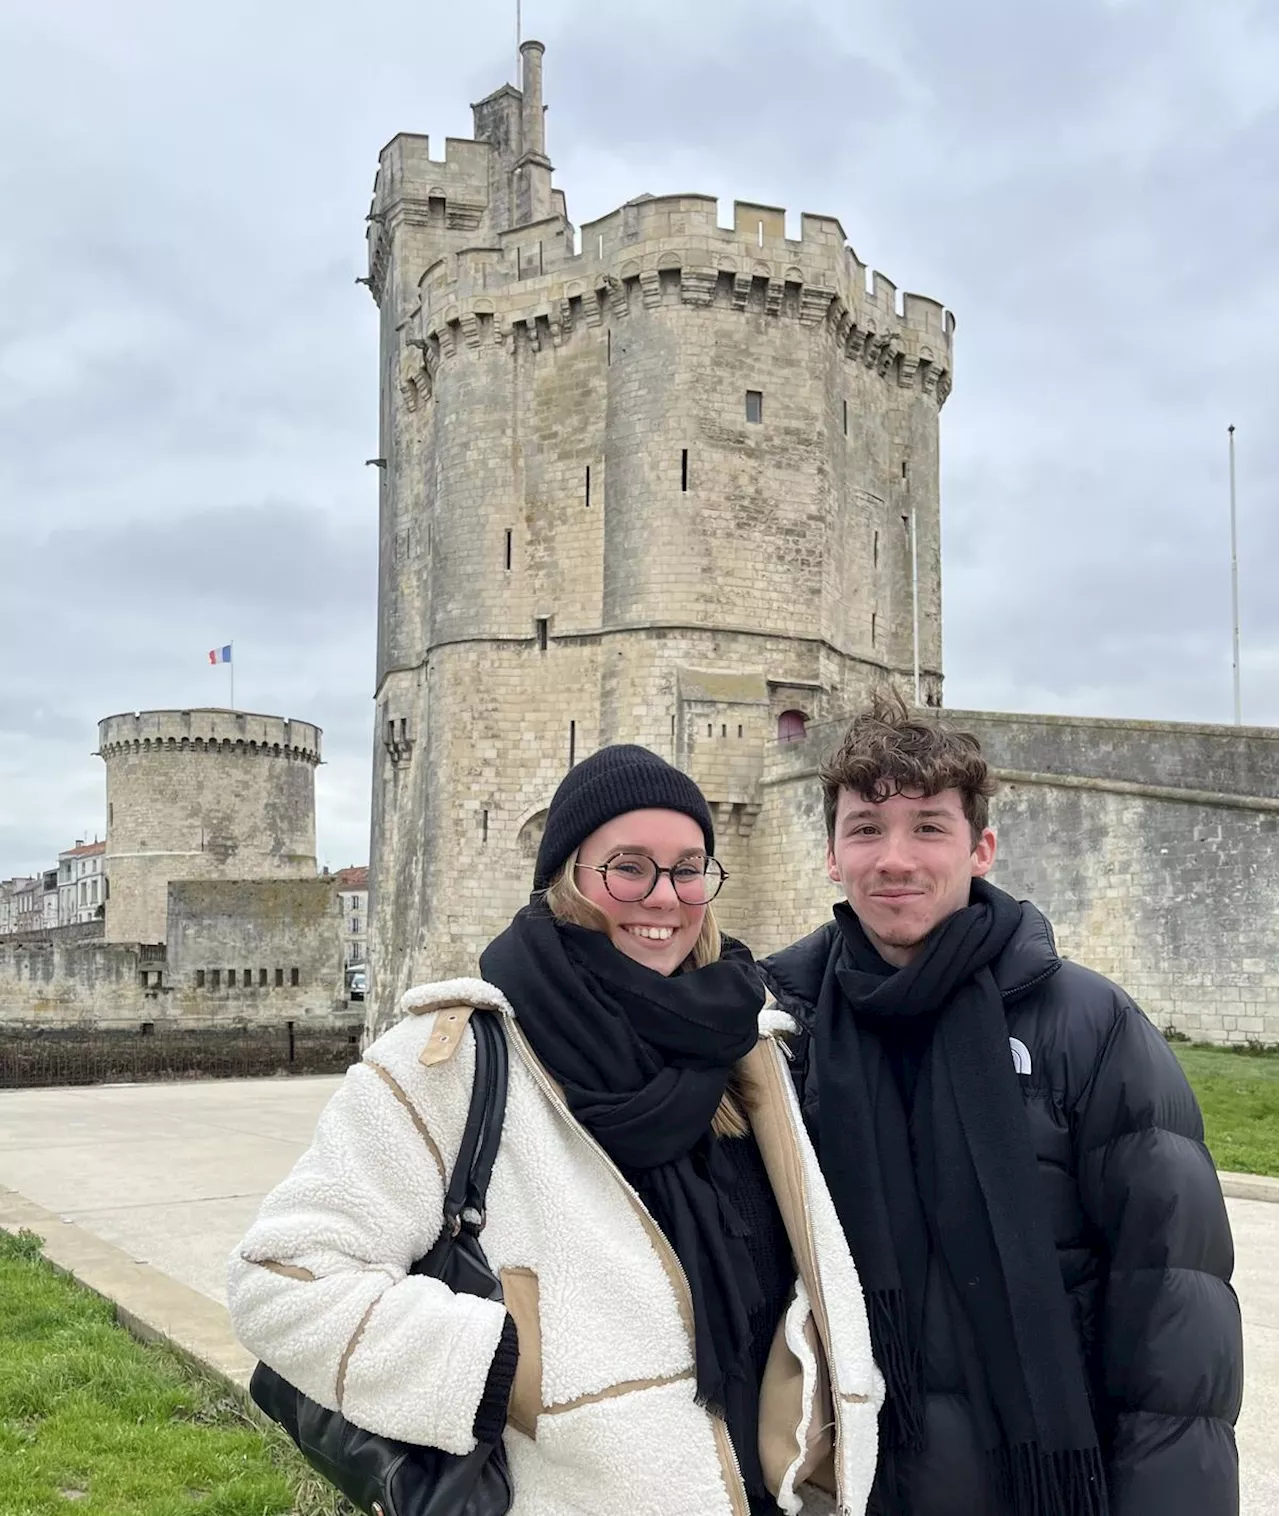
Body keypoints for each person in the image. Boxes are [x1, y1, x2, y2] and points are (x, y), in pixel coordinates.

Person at [228, 744, 884, 1516]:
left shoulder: (747, 1044)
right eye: (628, 867)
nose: (664, 897)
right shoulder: (455, 1058)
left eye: (687, 867)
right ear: (567, 877)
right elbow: (279, 1278)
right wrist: (497, 1366)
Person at [758, 694, 1243, 1516]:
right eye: (866, 828)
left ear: (981, 848)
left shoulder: (1090, 1029)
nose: (895, 858)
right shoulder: (775, 1029)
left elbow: (1173, 1323)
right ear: (833, 857)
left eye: (929, 827)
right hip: (842, 1486)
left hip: (1031, 1486)